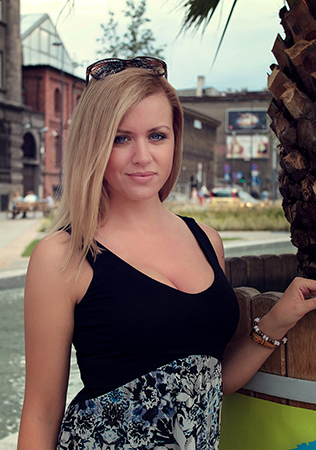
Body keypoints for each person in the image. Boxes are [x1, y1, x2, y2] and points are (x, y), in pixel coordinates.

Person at [17, 57, 316, 450]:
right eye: (120, 138)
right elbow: (41, 413)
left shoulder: (207, 240)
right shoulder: (63, 255)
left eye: (156, 136)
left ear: (174, 139)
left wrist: (277, 321)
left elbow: (209, 381)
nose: (143, 156)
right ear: (94, 145)